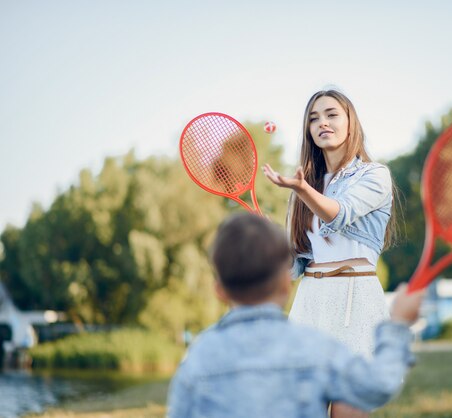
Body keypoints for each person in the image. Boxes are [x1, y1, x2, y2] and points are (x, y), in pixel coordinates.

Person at [167, 213, 424, 418]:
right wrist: (398, 323)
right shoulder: (314, 347)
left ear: (219, 291)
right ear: (285, 284)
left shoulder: (199, 356)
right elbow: (376, 385)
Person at [263, 89, 397, 417]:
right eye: (313, 118)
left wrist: (301, 189)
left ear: (351, 123)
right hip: (311, 301)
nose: (322, 122)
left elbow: (339, 212)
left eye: (331, 114)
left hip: (356, 301)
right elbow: (294, 266)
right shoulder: (304, 185)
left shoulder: (374, 175)